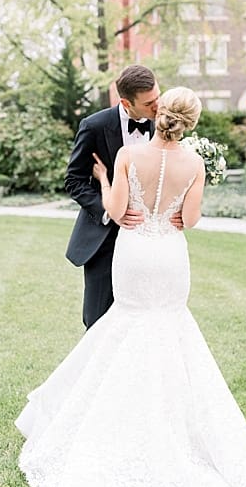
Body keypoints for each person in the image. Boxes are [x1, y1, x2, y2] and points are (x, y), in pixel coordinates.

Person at [17, 87, 246, 487]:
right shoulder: (195, 165)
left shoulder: (128, 153)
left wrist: (106, 178)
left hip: (134, 254)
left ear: (159, 113)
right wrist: (174, 212)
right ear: (191, 122)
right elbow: (189, 221)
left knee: (123, 327)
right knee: (171, 333)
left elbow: (119, 211)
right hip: (168, 256)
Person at [64, 64, 177, 328]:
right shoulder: (94, 126)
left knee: (143, 316)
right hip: (104, 238)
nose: (158, 106)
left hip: (148, 239)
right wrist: (110, 210)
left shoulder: (164, 125)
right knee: (98, 317)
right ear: (126, 102)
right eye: (150, 102)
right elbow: (74, 180)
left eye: (158, 97)